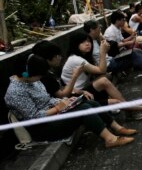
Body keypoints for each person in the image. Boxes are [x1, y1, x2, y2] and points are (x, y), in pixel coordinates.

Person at [5, 55, 135, 148]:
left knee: (89, 103)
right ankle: (110, 139)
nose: (40, 78)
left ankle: (117, 128)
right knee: (83, 110)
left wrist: (65, 101)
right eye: (38, 76)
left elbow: (48, 99)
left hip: (55, 116)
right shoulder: (15, 92)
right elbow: (33, 117)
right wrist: (57, 108)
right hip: (43, 129)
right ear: (26, 74)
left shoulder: (32, 81)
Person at [62, 32, 142, 120]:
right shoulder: (76, 60)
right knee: (107, 86)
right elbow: (101, 69)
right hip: (76, 97)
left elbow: (101, 72)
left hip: (84, 91)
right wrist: (103, 52)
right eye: (83, 42)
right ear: (75, 44)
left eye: (88, 41)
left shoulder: (81, 57)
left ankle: (132, 110)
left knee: (106, 78)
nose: (87, 44)